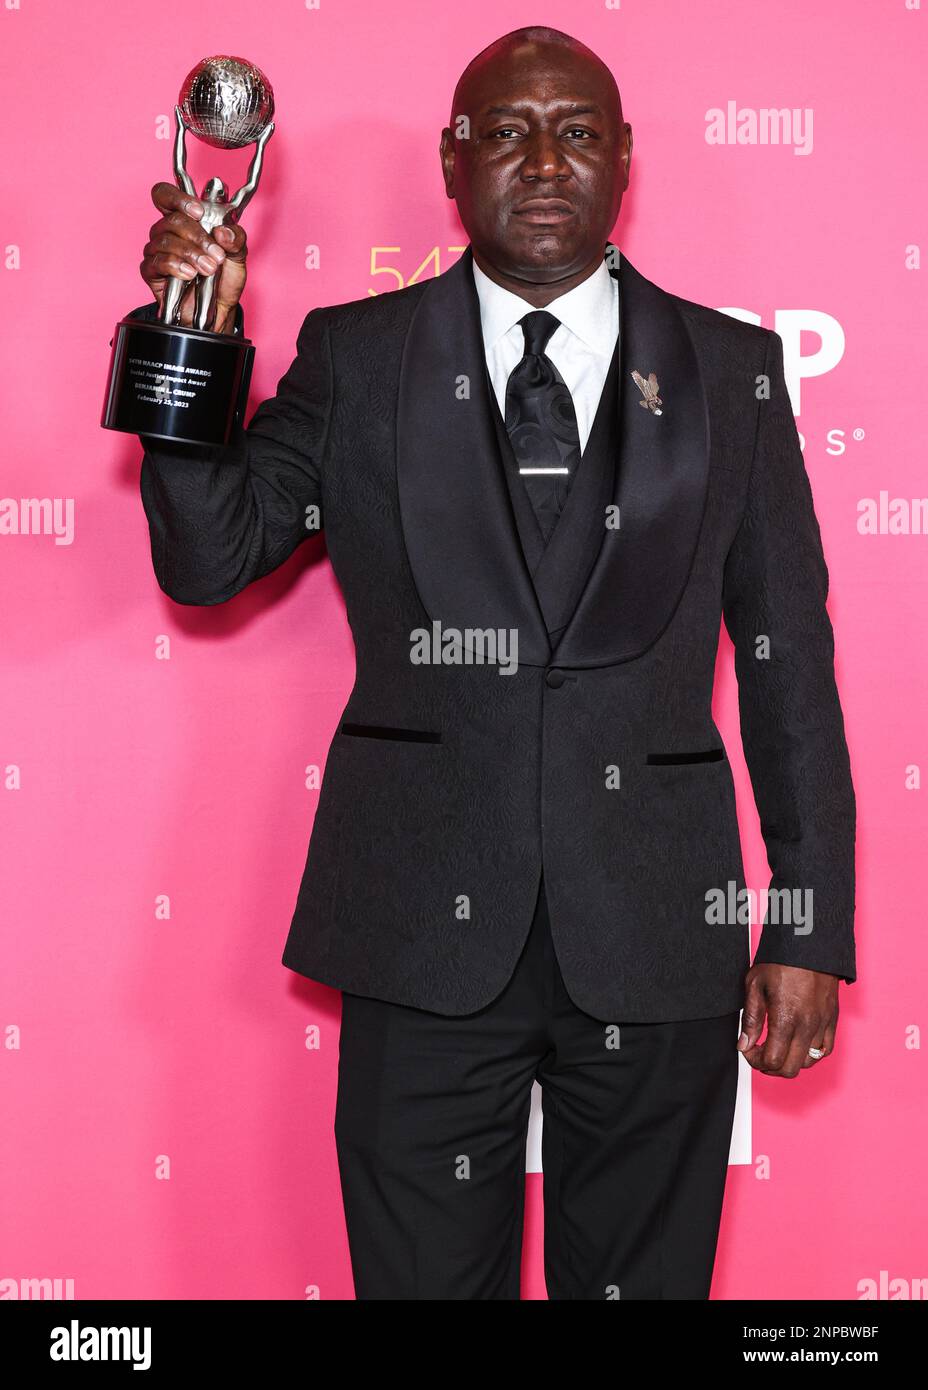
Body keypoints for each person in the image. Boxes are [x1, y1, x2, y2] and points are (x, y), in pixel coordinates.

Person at [127, 26, 856, 1299]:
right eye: (505, 130)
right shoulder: (359, 359)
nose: (541, 158)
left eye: (576, 130)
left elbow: (788, 658)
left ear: (624, 159)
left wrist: (804, 921)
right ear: (452, 162)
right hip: (419, 930)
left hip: (657, 931)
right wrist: (194, 331)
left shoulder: (733, 374)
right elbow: (210, 560)